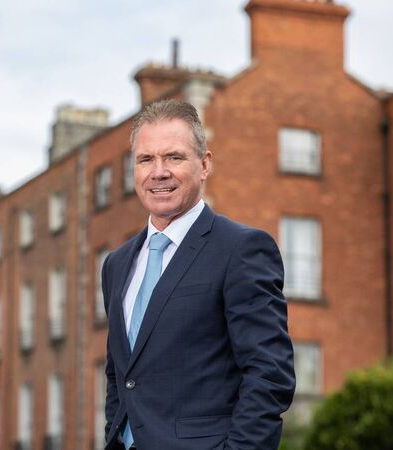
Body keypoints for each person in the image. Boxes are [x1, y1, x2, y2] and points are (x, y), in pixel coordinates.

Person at [102, 99, 295, 449]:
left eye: (174, 157)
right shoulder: (116, 264)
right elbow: (120, 377)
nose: (159, 172)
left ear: (204, 164)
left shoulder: (241, 249)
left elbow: (269, 375)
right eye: (146, 159)